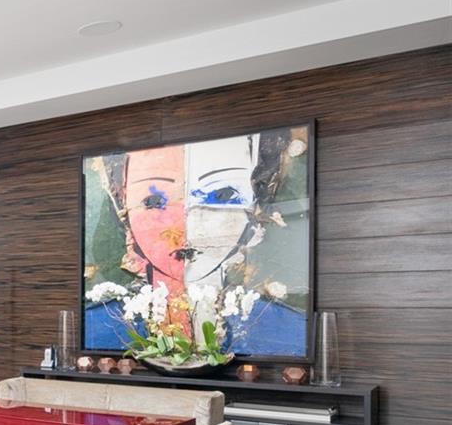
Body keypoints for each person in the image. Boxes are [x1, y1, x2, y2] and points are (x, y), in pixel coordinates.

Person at [85, 130, 307, 356]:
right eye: (154, 201)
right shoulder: (97, 329)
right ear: (122, 206)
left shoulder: (288, 333)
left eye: (222, 194)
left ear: (256, 206)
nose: (186, 224)